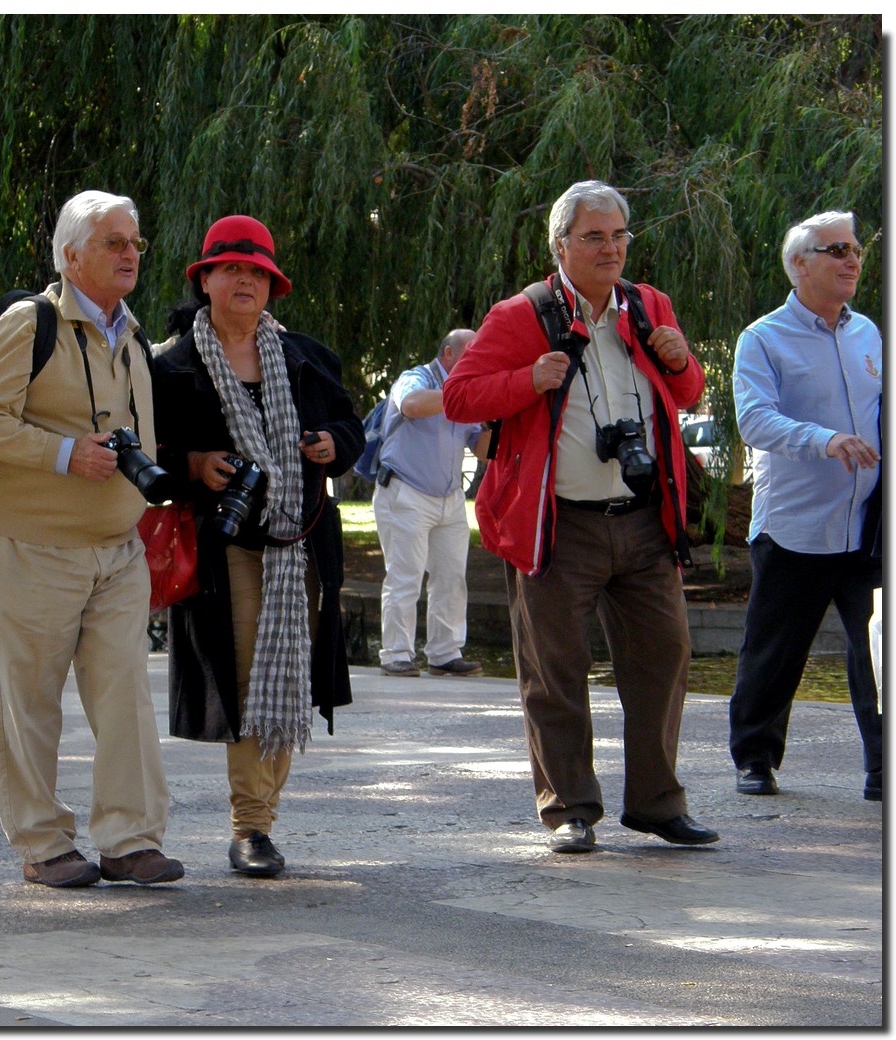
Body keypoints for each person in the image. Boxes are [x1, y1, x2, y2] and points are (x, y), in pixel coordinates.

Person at [444, 180, 719, 853]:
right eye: (595, 236)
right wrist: (526, 381)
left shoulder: (648, 305)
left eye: (620, 235)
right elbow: (457, 397)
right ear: (561, 244)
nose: (611, 248)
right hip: (557, 526)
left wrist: (686, 366)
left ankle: (657, 802)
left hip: (645, 520)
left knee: (664, 656)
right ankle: (569, 807)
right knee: (555, 671)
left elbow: (683, 393)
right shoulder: (521, 315)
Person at [0, 189, 183, 888]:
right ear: (71, 253)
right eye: (114, 242)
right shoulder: (31, 323)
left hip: (117, 546)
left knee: (125, 695)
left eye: (136, 243)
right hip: (28, 541)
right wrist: (63, 454)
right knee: (29, 698)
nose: (129, 254)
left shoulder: (133, 332)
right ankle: (43, 843)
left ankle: (130, 838)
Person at [152, 215, 365, 877]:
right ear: (205, 279)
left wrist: (333, 446)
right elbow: (145, 453)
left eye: (257, 272)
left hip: (297, 544)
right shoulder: (170, 365)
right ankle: (252, 825)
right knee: (248, 676)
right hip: (223, 547)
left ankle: (259, 818)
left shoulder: (306, 357)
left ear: (272, 285)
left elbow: (350, 427)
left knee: (285, 675)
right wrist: (191, 465)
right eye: (231, 269)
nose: (244, 280)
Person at [730, 211, 882, 802]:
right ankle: (755, 759)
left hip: (868, 527)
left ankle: (880, 769)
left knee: (879, 652)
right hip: (796, 527)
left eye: (856, 249)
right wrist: (825, 440)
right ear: (800, 264)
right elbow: (754, 420)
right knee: (774, 650)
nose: (853, 260)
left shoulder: (870, 333)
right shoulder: (762, 338)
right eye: (837, 250)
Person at [374, 329, 489, 678]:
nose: (479, 359)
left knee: (452, 578)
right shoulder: (416, 378)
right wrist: (460, 395)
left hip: (450, 500)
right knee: (405, 576)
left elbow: (481, 449)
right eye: (472, 352)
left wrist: (496, 418)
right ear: (449, 354)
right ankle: (396, 654)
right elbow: (411, 405)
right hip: (406, 492)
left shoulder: (470, 389)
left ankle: (444, 652)